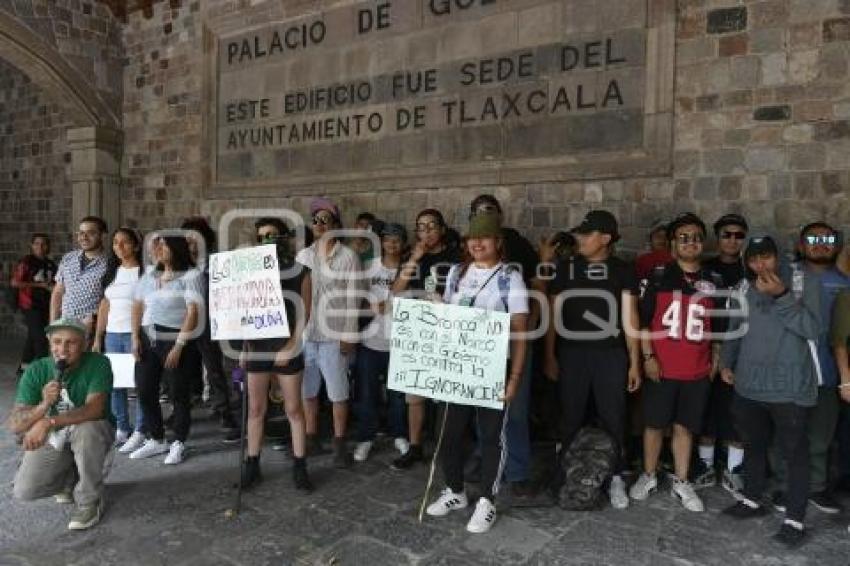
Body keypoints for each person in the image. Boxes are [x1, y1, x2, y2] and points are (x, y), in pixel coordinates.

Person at [425, 213, 529, 534]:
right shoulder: (457, 273)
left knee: (491, 437)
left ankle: (487, 500)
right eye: (473, 238)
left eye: (485, 237)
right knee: (448, 434)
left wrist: (513, 379)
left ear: (498, 242)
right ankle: (455, 491)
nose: (477, 243)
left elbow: (521, 332)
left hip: (492, 369)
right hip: (457, 367)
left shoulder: (509, 278)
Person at [720, 236, 820, 548]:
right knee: (754, 444)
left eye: (766, 257)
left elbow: (813, 329)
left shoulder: (803, 282)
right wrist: (726, 361)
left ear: (777, 256)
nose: (760, 265)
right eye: (754, 259)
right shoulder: (741, 288)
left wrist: (782, 295)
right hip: (749, 384)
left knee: (794, 453)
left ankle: (795, 519)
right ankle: (751, 500)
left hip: (789, 387)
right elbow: (734, 329)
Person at [543, 210, 641, 510]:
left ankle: (614, 479)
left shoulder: (623, 270)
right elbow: (552, 316)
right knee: (570, 417)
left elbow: (630, 318)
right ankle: (567, 477)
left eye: (587, 234)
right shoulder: (566, 268)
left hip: (610, 355)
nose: (580, 239)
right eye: (580, 234)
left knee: (614, 418)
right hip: (572, 354)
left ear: (606, 238)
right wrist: (549, 354)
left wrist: (635, 361)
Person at [631, 212, 719, 513]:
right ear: (672, 244)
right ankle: (649, 474)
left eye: (696, 237)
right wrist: (647, 357)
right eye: (684, 237)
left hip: (696, 367)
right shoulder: (657, 277)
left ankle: (682, 480)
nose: (691, 242)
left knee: (685, 427)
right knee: (654, 424)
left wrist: (715, 361)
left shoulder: (713, 279)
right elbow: (643, 322)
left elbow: (719, 327)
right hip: (663, 366)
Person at [772, 222, 850, 514]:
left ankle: (816, 487)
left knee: (821, 433)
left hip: (829, 371)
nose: (821, 243)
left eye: (827, 238)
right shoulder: (786, 279)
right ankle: (783, 485)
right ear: (801, 246)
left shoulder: (845, 282)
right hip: (789, 370)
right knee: (785, 433)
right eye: (813, 239)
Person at [8, 317, 114, 531]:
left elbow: (95, 409)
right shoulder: (37, 369)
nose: (62, 349)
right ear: (49, 342)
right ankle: (69, 478)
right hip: (56, 437)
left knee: (88, 429)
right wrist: (43, 405)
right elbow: (15, 425)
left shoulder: (98, 363)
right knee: (24, 490)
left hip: (88, 433)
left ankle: (90, 500)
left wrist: (49, 421)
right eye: (57, 342)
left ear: (84, 344)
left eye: (71, 342)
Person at [468, 195, 540, 500]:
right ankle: (486, 458)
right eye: (479, 213)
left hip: (513, 341)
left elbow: (535, 287)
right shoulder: (465, 268)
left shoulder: (519, 246)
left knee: (515, 410)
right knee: (482, 410)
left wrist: (528, 326)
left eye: (490, 212)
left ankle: (518, 469)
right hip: (477, 347)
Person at [240, 218, 313, 491]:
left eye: (271, 235)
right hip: (258, 345)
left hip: (287, 345)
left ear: (283, 237)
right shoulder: (251, 273)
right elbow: (245, 312)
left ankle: (300, 465)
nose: (266, 240)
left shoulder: (301, 272)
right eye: (261, 237)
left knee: (293, 408)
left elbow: (305, 313)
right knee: (256, 408)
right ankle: (252, 463)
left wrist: (292, 345)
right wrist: (245, 347)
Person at [390, 208, 461, 470]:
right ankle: (416, 446)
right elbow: (396, 290)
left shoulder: (456, 256)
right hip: (419, 330)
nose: (427, 232)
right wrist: (416, 257)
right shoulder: (412, 256)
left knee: (446, 393)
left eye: (432, 226)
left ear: (442, 229)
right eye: (421, 227)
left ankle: (448, 448)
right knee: (415, 393)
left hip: (446, 329)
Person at [297, 197, 362, 467]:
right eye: (315, 220)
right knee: (307, 390)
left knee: (338, 392)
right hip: (307, 335)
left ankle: (339, 442)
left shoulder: (348, 257)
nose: (320, 224)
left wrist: (349, 335)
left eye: (325, 219)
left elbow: (354, 298)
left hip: (334, 334)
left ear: (336, 224)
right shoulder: (304, 256)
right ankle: (311, 436)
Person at [127, 235, 203, 465]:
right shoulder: (150, 274)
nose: (157, 249)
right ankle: (157, 438)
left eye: (163, 245)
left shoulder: (191, 275)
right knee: (144, 389)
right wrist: (134, 337)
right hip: (148, 336)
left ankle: (179, 441)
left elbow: (193, 311)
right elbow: (137, 305)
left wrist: (179, 345)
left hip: (176, 337)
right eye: (156, 246)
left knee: (178, 393)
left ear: (175, 249)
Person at [694, 214, 749, 495]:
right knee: (706, 408)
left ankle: (734, 468)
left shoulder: (748, 269)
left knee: (736, 411)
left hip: (740, 350)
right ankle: (704, 465)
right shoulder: (703, 269)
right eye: (727, 234)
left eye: (739, 235)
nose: (732, 240)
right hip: (704, 348)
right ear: (718, 237)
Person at [352, 223, 409, 462]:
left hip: (399, 341)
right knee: (366, 393)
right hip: (369, 341)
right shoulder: (368, 267)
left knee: (398, 394)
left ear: (404, 243)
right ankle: (366, 437)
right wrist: (369, 307)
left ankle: (399, 434)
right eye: (387, 239)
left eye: (397, 240)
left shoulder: (410, 269)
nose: (392, 244)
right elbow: (354, 300)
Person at [181, 216, 239, 442]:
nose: (190, 243)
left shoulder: (218, 262)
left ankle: (226, 410)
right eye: (185, 239)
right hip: (185, 323)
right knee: (183, 371)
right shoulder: (180, 266)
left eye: (194, 238)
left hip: (214, 322)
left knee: (217, 368)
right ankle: (183, 411)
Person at [92, 228, 146, 448]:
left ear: (135, 245)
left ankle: (142, 429)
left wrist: (137, 336)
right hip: (113, 335)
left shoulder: (144, 272)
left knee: (141, 384)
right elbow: (104, 306)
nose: (119, 247)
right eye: (115, 243)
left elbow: (142, 305)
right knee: (117, 384)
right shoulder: (112, 272)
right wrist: (98, 337)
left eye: (124, 242)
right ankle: (123, 427)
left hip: (136, 333)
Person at [50, 217, 109, 336]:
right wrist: (53, 324)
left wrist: (95, 323)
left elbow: (108, 300)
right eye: (81, 233)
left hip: (90, 328)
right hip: (64, 324)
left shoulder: (109, 264)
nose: (84, 237)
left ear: (103, 236)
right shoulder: (68, 258)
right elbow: (58, 292)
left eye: (90, 233)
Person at [11, 233, 57, 375]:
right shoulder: (26, 262)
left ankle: (23, 368)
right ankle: (45, 371)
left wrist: (51, 287)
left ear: (48, 246)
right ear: (31, 246)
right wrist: (39, 285)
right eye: (36, 243)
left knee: (32, 337)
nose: (40, 247)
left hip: (45, 305)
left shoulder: (50, 264)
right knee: (41, 339)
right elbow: (15, 282)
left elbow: (55, 283)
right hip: (30, 305)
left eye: (43, 244)